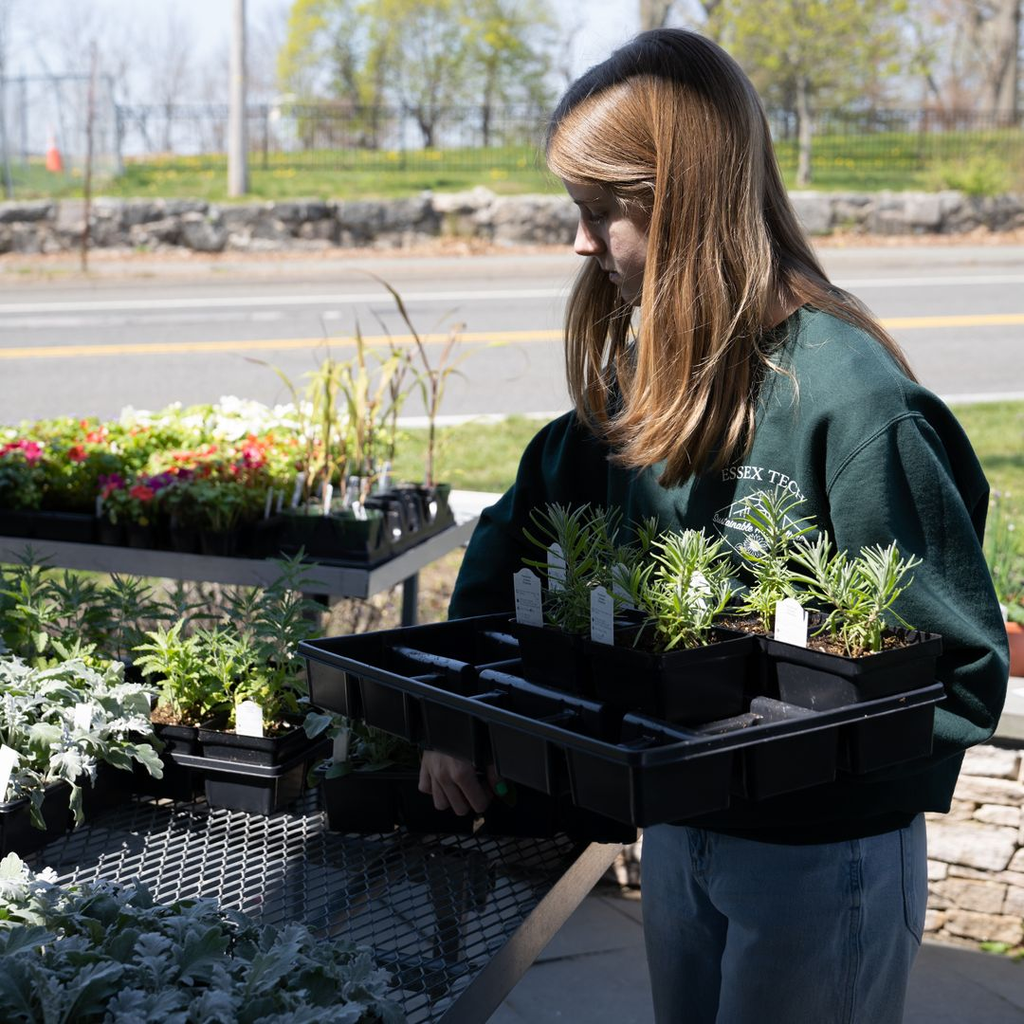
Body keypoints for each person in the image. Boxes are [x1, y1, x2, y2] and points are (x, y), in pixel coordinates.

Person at [418, 28, 1008, 1024]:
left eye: (601, 212)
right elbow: (521, 522)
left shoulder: (854, 406)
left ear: (684, 202)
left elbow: (957, 672)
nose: (577, 241)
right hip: (681, 828)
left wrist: (792, 763)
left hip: (821, 856)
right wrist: (455, 721)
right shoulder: (648, 379)